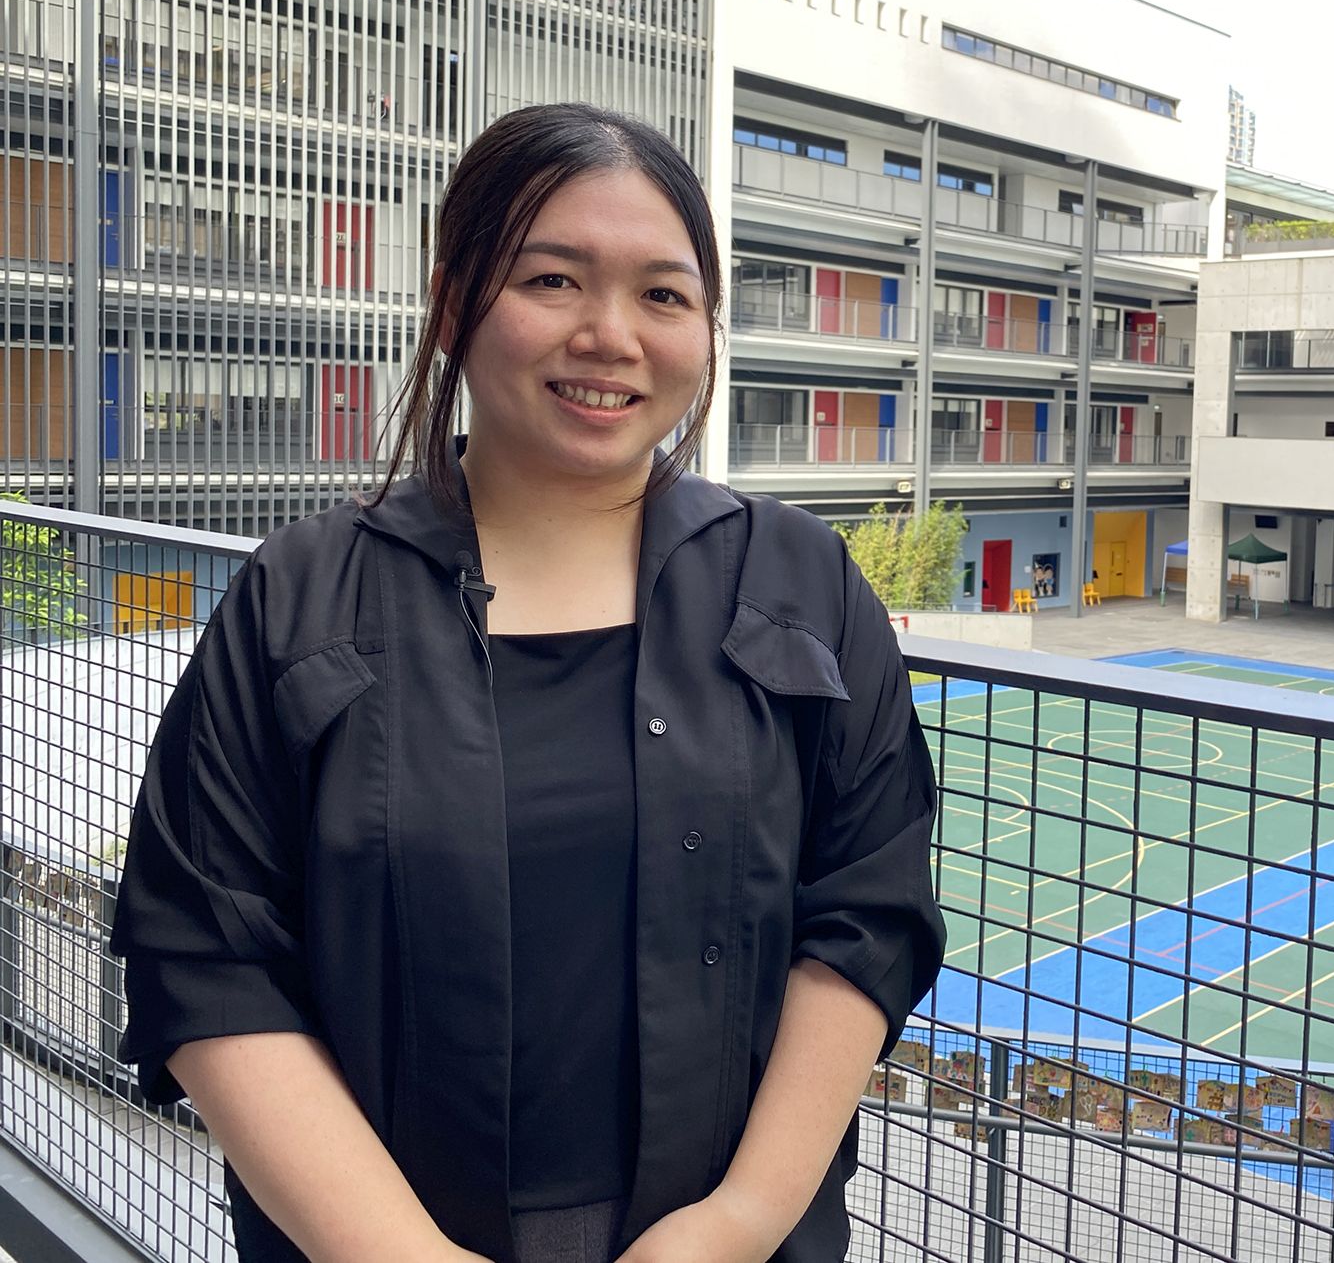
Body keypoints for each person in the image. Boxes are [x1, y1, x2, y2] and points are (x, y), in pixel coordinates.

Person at [110, 103, 947, 1263]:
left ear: (705, 326)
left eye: (663, 294)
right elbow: (205, 950)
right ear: (455, 302)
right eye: (553, 279)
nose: (610, 334)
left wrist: (740, 1221)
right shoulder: (297, 599)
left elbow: (868, 912)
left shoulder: (801, 581)